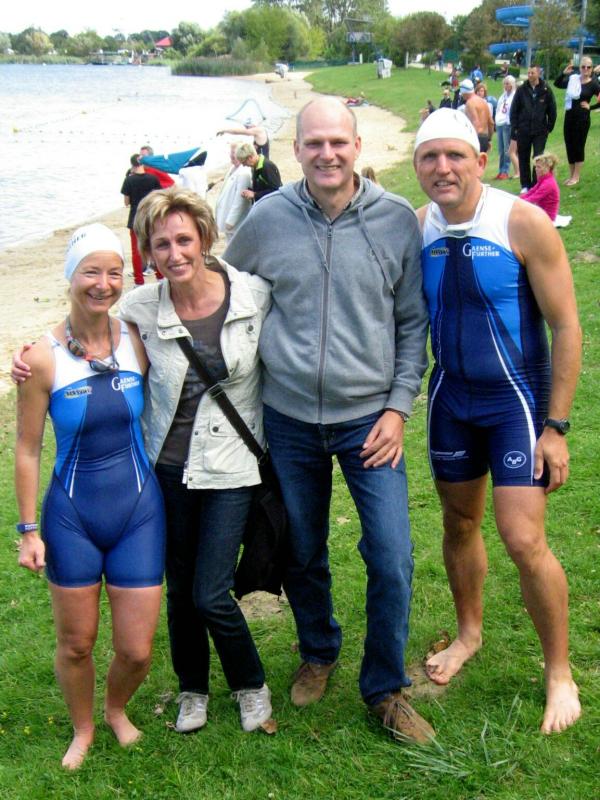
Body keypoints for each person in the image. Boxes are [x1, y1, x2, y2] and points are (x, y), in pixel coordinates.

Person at [13, 191, 274, 737]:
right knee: (174, 595)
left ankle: (249, 685)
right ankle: (190, 691)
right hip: (158, 475)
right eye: (161, 244)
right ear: (148, 254)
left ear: (204, 239)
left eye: (184, 240)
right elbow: (76, 346)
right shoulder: (137, 312)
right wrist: (25, 358)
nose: (175, 253)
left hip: (217, 471)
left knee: (205, 595)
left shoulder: (241, 298)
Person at [225, 97, 434, 744]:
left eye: (337, 142)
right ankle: (318, 649)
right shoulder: (267, 218)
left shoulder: (395, 220)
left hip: (371, 420)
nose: (327, 154)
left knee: (392, 555)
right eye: (313, 143)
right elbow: (223, 289)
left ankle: (385, 687)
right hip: (288, 419)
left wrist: (399, 407)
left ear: (357, 146)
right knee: (302, 548)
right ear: (296, 150)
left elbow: (412, 324)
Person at [413, 108, 582, 734]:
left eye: (455, 155)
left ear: (480, 161)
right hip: (450, 402)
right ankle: (469, 633)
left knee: (523, 539)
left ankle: (559, 671)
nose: (443, 168)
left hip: (515, 405)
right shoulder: (416, 226)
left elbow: (567, 325)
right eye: (430, 157)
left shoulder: (522, 221)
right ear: (417, 167)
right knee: (459, 524)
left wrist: (556, 427)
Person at [14, 223, 166, 769]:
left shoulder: (137, 340)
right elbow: (27, 448)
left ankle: (115, 709)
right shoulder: (42, 358)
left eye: (114, 272)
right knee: (77, 643)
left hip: (139, 513)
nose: (103, 283)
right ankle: (82, 728)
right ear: (70, 276)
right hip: (72, 516)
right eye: (91, 272)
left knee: (137, 650)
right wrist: (28, 531)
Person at [553, 57, 600, 185]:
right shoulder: (573, 80)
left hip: (582, 119)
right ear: (580, 68)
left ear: (591, 69)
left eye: (588, 67)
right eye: (583, 66)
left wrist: (591, 107)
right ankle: (571, 175)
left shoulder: (593, 84)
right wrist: (563, 73)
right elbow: (557, 84)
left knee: (578, 146)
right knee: (570, 145)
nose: (585, 69)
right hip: (569, 117)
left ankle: (576, 176)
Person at [510, 65, 557, 191]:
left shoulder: (546, 89)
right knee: (523, 157)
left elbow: (552, 110)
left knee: (538, 157)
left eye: (532, 73)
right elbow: (514, 110)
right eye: (529, 73)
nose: (530, 75)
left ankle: (536, 184)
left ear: (538, 74)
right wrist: (515, 127)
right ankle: (525, 185)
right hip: (523, 129)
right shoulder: (521, 90)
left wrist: (549, 127)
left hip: (540, 130)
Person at [120, 154, 160, 285]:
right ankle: (160, 276)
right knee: (155, 247)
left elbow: (126, 202)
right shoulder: (153, 178)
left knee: (136, 251)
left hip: (135, 218)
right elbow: (159, 197)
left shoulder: (129, 180)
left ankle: (139, 280)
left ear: (132, 164)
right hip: (150, 216)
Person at [215, 142, 252, 243]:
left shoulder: (244, 173)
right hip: (228, 218)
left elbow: (240, 200)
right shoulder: (232, 169)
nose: (232, 156)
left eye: (234, 153)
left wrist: (231, 221)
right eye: (231, 152)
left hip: (236, 223)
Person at [458, 79, 494, 152]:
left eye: (462, 94)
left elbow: (475, 123)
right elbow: (491, 122)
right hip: (484, 137)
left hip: (475, 137)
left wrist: (471, 140)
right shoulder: (483, 102)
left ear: (464, 92)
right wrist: (489, 139)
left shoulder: (469, 103)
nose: (462, 95)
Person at [522, 152, 560, 221]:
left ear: (547, 168)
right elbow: (532, 191)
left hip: (547, 217)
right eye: (536, 166)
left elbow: (534, 197)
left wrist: (519, 203)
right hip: (541, 212)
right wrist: (519, 199)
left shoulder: (548, 183)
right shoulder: (544, 179)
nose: (536, 169)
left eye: (539, 167)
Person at [494, 75, 518, 179]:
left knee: (506, 149)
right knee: (500, 149)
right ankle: (500, 170)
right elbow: (498, 108)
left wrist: (509, 121)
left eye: (507, 83)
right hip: (499, 123)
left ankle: (505, 170)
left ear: (512, 85)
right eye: (504, 83)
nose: (505, 85)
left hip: (507, 124)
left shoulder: (514, 96)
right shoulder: (503, 96)